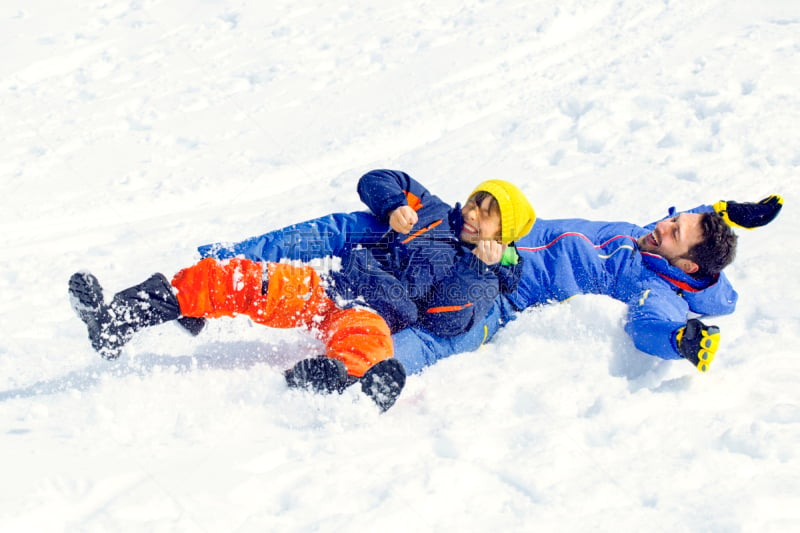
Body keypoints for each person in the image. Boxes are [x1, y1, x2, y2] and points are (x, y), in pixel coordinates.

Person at [199, 180, 783, 375]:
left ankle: (361, 370)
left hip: (501, 291)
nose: (661, 225)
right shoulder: (651, 238)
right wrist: (724, 213)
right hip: (484, 228)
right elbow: (700, 238)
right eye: (671, 219)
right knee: (354, 223)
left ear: (685, 267)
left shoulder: (657, 288)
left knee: (438, 332)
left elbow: (653, 325)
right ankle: (224, 262)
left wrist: (680, 343)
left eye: (675, 233)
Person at [69, 169, 535, 411]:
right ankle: (118, 318)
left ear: (503, 232)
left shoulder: (484, 276)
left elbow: (445, 319)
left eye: (489, 213)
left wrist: (478, 270)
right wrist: (393, 205)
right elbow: (376, 178)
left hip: (376, 314)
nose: (474, 212)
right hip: (335, 285)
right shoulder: (430, 208)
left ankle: (334, 384)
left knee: (368, 344)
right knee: (247, 281)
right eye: (477, 200)